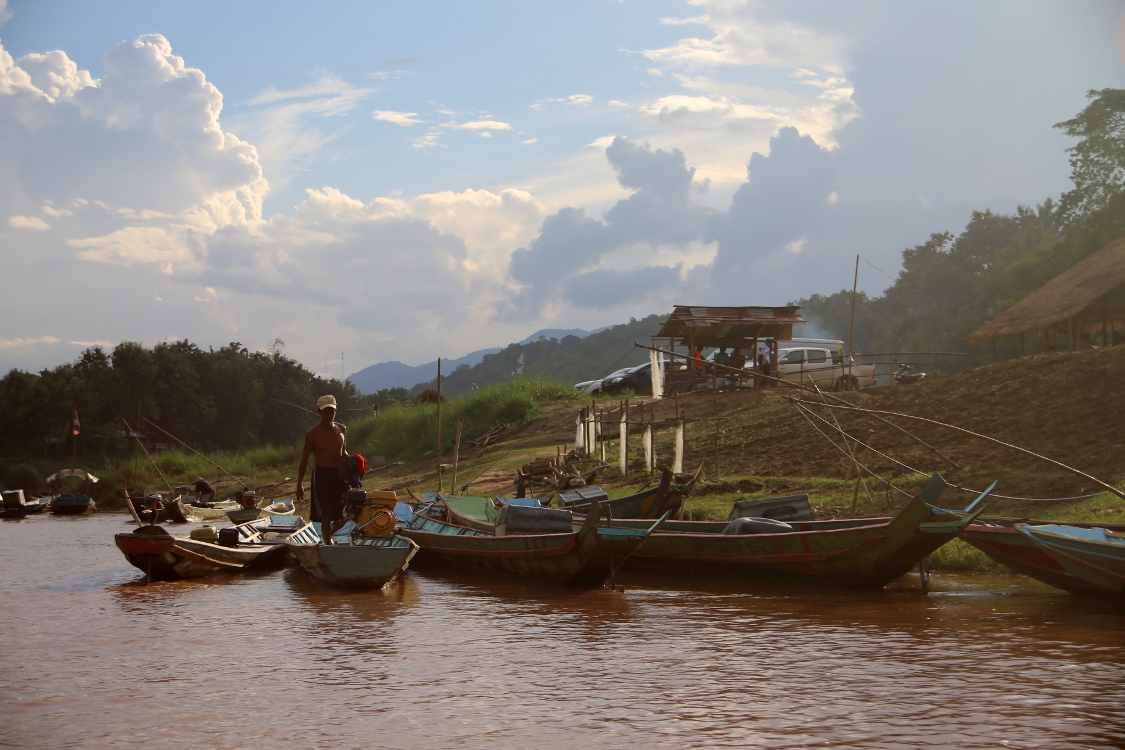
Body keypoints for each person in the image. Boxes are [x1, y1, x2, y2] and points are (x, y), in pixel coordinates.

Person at [296, 395, 349, 544]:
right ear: (319, 412)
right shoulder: (312, 433)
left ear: (335, 412)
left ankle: (327, 536)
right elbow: (305, 459)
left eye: (331, 411)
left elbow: (343, 452)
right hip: (321, 475)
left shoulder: (341, 429)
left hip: (339, 475)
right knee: (326, 515)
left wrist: (353, 462)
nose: (328, 415)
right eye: (325, 412)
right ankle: (328, 545)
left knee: (348, 512)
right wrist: (300, 484)